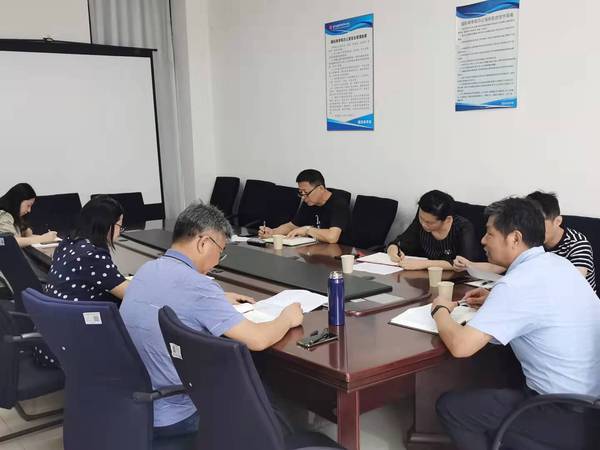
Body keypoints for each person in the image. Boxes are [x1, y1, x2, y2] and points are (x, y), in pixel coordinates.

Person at [120, 202, 303, 438]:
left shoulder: (147, 269)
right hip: (179, 412)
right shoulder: (198, 287)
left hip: (137, 405)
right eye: (220, 251)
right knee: (266, 396)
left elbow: (172, 297)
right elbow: (257, 340)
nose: (218, 261)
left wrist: (219, 299)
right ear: (204, 243)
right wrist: (287, 318)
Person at [433, 197, 600, 450]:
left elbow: (461, 346)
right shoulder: (560, 264)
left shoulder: (517, 283)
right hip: (592, 406)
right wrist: (494, 299)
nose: (483, 241)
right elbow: (545, 303)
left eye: (489, 233)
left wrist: (440, 309)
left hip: (563, 413)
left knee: (452, 408)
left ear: (514, 238)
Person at [454, 191, 597, 290]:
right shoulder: (532, 240)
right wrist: (469, 265)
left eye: (540, 222)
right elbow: (501, 266)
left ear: (557, 221)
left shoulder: (578, 244)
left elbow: (571, 285)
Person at [44, 195, 129, 304]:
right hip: (77, 312)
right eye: (119, 226)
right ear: (105, 224)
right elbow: (130, 294)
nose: (120, 231)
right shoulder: (92, 255)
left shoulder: (67, 242)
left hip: (57, 309)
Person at [386, 190, 479, 270]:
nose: (423, 224)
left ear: (447, 220)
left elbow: (464, 264)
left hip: (453, 280)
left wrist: (424, 264)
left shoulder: (463, 227)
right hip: (424, 277)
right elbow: (401, 241)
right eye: (421, 218)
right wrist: (392, 249)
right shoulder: (422, 221)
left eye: (429, 222)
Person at [258, 169, 350, 244]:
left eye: (306, 192)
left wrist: (307, 230)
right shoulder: (308, 201)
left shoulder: (339, 204)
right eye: (301, 193)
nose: (303, 197)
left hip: (337, 253)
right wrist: (273, 232)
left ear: (321, 189)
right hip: (314, 248)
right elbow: (292, 226)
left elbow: (332, 237)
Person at [0, 183, 57, 247]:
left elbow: (19, 237)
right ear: (17, 201)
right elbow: (10, 242)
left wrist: (24, 232)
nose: (29, 210)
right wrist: (43, 238)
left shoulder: (14, 216)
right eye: (28, 205)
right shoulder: (3, 215)